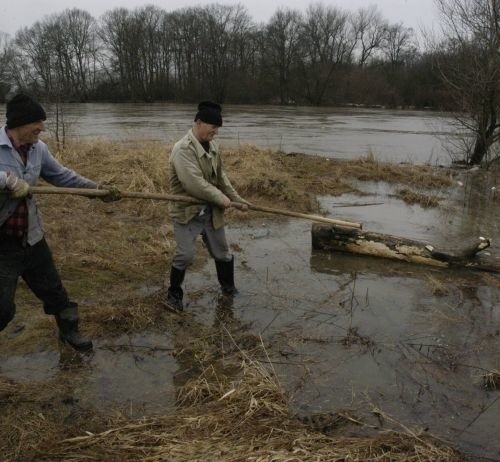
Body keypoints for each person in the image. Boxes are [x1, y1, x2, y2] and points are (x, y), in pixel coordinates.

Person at [0, 93, 121, 351]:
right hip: (2, 244)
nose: (43, 128)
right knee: (2, 308)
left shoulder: (38, 149)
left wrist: (97, 190)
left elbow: (62, 176)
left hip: (31, 237)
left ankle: (69, 332)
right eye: (38, 123)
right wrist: (5, 180)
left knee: (55, 292)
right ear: (19, 123)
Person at [166, 101, 249, 311]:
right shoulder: (182, 149)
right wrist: (222, 199)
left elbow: (221, 177)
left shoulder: (212, 146)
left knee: (222, 252)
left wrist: (237, 199)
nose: (216, 133)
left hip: (211, 211)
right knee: (185, 255)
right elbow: (194, 184)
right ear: (199, 122)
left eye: (218, 129)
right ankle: (173, 295)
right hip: (187, 212)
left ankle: (228, 289)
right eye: (213, 128)